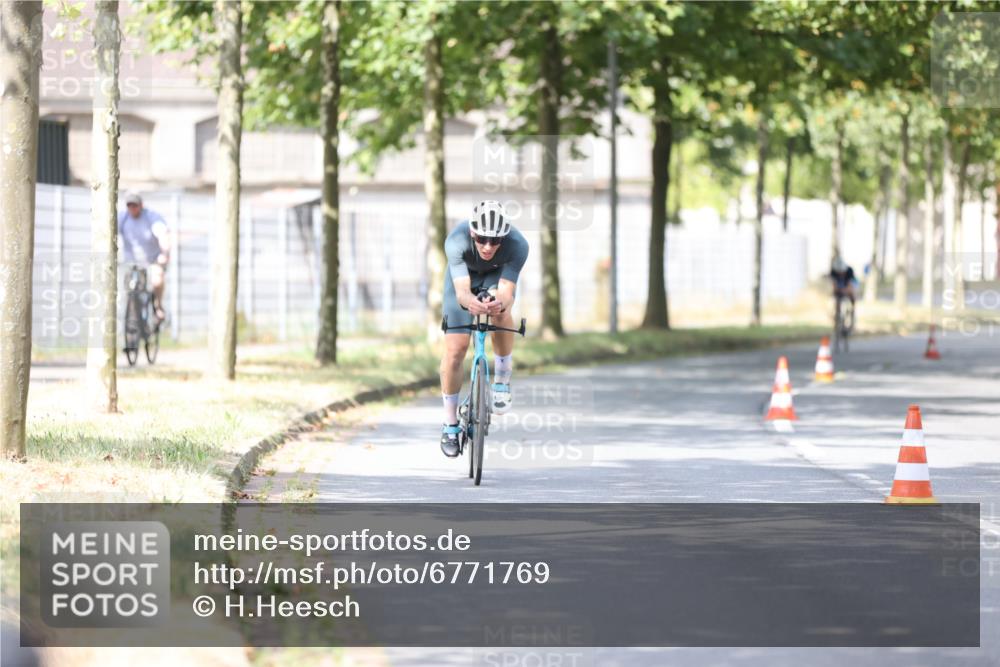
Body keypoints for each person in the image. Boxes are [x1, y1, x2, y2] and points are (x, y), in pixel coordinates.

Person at [439, 201, 529, 457]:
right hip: (462, 279)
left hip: (496, 277)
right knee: (455, 350)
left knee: (501, 311)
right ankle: (450, 424)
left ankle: (502, 377)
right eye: (482, 239)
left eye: (495, 240)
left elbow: (507, 292)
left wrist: (498, 302)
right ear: (472, 233)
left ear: (505, 237)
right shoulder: (455, 240)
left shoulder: (518, 245)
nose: (488, 246)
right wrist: (470, 303)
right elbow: (461, 292)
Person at [118, 191, 170, 323]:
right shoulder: (123, 218)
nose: (132, 208)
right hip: (132, 262)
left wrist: (164, 254)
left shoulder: (151, 217)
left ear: (141, 205)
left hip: (153, 259)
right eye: (129, 205)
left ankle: (158, 305)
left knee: (157, 280)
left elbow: (163, 235)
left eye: (135, 205)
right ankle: (133, 317)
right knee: (130, 289)